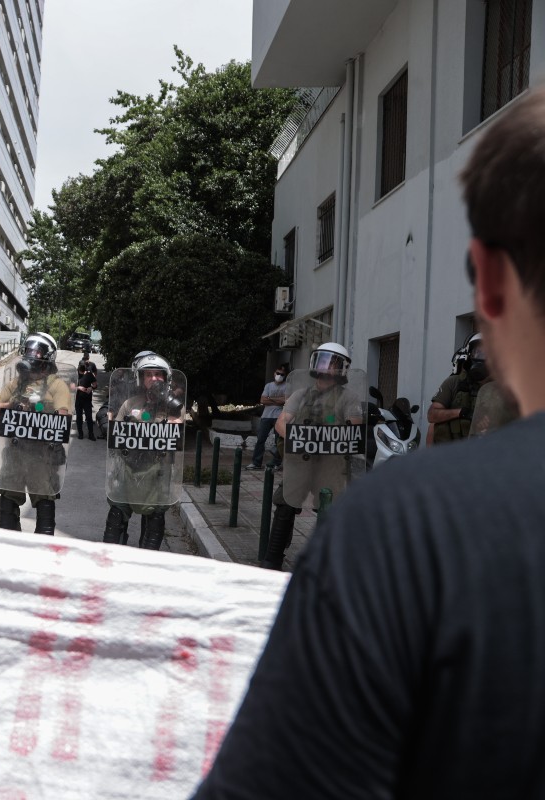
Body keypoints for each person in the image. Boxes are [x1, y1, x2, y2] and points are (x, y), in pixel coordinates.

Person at [196, 90, 545, 798]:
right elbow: (290, 422)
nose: (329, 370)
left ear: (491, 282)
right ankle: (268, 562)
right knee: (288, 521)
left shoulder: (407, 534)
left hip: (344, 483)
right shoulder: (392, 518)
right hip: (306, 474)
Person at [261, 342, 363, 570]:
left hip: (331, 462)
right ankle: (272, 558)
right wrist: (301, 438)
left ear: (342, 368)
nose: (326, 366)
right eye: (323, 360)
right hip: (301, 459)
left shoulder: (349, 398)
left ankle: (324, 564)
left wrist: (325, 434)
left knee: (330, 509)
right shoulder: (300, 394)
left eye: (333, 362)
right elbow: (281, 423)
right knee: (285, 503)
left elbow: (354, 425)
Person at [0, 332, 71, 534]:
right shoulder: (16, 384)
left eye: (37, 351)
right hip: (15, 453)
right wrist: (10, 404)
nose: (32, 355)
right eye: (29, 350)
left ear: (47, 356)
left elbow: (62, 416)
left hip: (42, 455)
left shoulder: (56, 385)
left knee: (44, 503)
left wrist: (40, 410)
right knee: (7, 505)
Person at [102, 351, 183, 549]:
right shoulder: (130, 404)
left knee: (154, 524)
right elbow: (115, 435)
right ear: (140, 378)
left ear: (166, 378)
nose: (154, 378)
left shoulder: (174, 408)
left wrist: (169, 407)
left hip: (157, 474)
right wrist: (107, 420)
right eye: (149, 374)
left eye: (158, 374)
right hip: (128, 471)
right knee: (115, 520)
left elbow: (176, 435)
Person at [427, 332, 491, 444]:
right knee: (433, 426)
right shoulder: (454, 382)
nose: (482, 357)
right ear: (469, 355)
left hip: (488, 449)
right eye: (478, 353)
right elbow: (432, 415)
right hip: (453, 450)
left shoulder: (501, 388)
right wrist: (463, 413)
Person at [246, 363, 289, 470]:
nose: (279, 376)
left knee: (278, 441)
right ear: (274, 373)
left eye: (282, 374)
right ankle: (256, 463)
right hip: (266, 416)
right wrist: (278, 400)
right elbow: (262, 400)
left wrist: (270, 398)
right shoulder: (268, 385)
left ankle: (276, 462)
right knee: (260, 439)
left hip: (279, 417)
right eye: (278, 373)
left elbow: (285, 401)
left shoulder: (287, 386)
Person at [74, 361, 97, 440]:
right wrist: (79, 387)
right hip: (78, 399)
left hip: (87, 399)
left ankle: (91, 434)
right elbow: (70, 385)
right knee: (79, 417)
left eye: (84, 371)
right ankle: (80, 433)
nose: (83, 373)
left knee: (89, 417)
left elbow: (95, 384)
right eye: (82, 371)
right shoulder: (75, 374)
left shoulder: (89, 374)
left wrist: (91, 388)